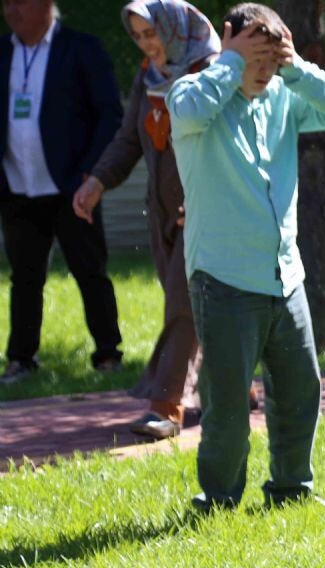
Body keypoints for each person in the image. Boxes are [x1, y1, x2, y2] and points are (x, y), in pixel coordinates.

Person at [166, 3, 325, 511]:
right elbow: (185, 112)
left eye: (271, 57)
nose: (264, 69)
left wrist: (295, 67)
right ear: (229, 43)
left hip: (285, 276)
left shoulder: (284, 95)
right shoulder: (193, 91)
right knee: (227, 405)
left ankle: (292, 489)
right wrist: (229, 60)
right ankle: (219, 498)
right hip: (224, 278)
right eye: (256, 55)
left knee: (301, 391)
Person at [71, 0, 219, 439]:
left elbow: (225, 139)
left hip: (205, 207)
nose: (146, 43)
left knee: (183, 302)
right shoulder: (148, 75)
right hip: (161, 210)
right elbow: (129, 138)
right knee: (195, 303)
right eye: (138, 35)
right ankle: (229, 383)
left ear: (173, 29)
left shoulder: (212, 71)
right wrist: (97, 181)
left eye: (151, 33)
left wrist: (208, 194)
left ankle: (165, 405)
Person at [1, 0, 124, 385]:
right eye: (5, 3)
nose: (10, 11)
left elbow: (109, 114)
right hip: (17, 183)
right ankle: (21, 359)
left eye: (18, 2)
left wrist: (92, 173)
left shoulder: (81, 48)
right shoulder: (3, 51)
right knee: (24, 275)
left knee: (90, 270)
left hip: (72, 184)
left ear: (44, 5)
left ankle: (108, 353)